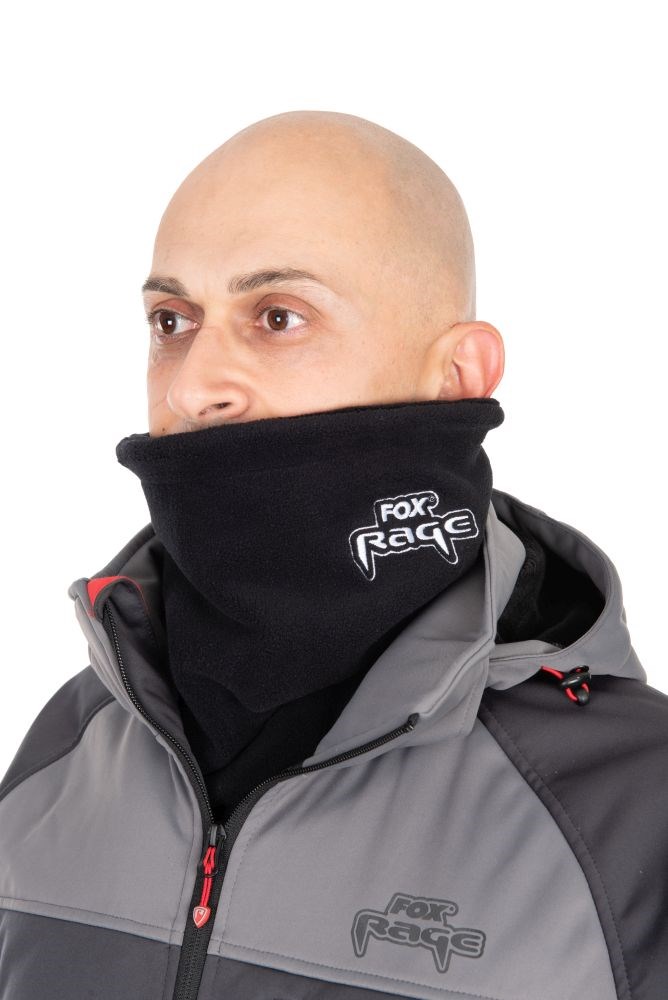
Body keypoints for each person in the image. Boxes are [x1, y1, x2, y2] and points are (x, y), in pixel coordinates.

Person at [0, 109, 666, 1000]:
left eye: (278, 316)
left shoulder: (632, 806)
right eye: (172, 320)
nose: (193, 386)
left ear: (458, 375)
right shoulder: (69, 749)